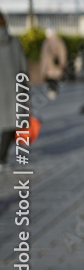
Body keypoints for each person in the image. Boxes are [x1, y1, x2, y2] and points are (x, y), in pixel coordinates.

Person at [0, 13, 29, 172]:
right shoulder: (14, 42)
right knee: (11, 123)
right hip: (13, 90)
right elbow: (23, 67)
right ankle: (1, 157)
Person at [39, 28, 67, 100]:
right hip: (48, 65)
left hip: (55, 64)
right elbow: (43, 54)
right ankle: (52, 90)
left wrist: (62, 61)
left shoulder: (58, 42)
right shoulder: (46, 42)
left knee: (54, 78)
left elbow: (62, 53)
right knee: (49, 78)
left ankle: (53, 90)